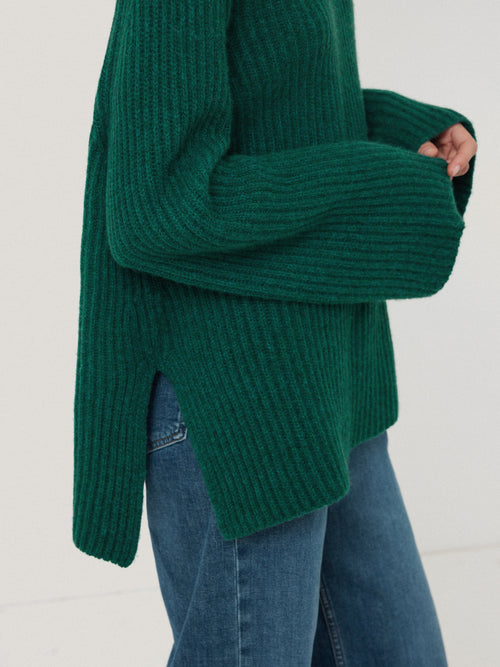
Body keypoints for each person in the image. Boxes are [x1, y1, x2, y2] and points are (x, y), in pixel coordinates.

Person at [73, 0, 477, 664]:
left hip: (333, 378)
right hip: (237, 401)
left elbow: (276, 98)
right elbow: (156, 204)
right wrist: (382, 186)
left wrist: (397, 133)